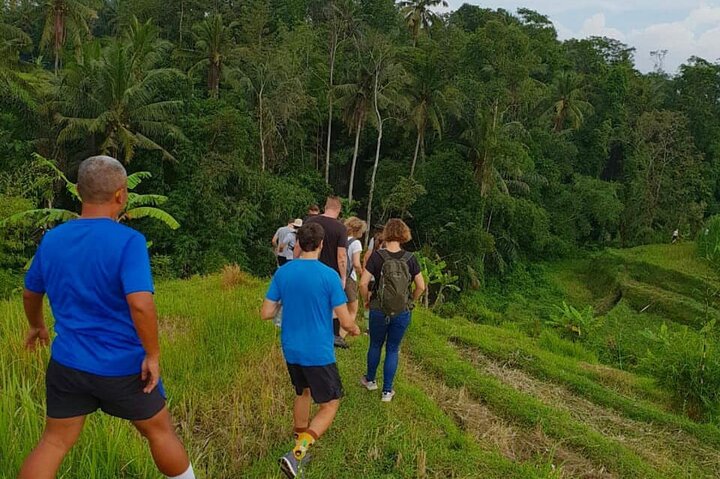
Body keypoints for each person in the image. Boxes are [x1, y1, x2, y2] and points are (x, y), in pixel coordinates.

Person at [18, 156, 194, 479]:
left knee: (54, 442)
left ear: (78, 192)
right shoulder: (129, 242)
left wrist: (37, 325)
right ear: (120, 195)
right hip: (124, 367)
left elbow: (30, 293)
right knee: (160, 433)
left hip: (69, 365)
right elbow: (140, 304)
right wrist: (153, 355)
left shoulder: (53, 239)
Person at [261, 223, 361, 479]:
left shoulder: (283, 273)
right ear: (321, 244)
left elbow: (266, 313)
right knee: (331, 403)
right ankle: (299, 452)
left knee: (302, 392)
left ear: (298, 243)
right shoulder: (328, 276)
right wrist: (355, 329)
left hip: (291, 348)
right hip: (317, 351)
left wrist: (287, 298)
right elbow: (345, 321)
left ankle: (298, 443)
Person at [359, 219, 425, 402]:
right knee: (393, 349)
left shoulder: (377, 256)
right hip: (402, 311)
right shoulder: (411, 258)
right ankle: (387, 392)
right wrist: (410, 300)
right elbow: (421, 286)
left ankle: (370, 381)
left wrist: (367, 299)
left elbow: (363, 283)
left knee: (375, 345)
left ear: (386, 234)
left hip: (378, 309)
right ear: (404, 234)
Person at [300, 196, 349, 348]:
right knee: (332, 305)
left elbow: (298, 246)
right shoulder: (340, 228)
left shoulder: (309, 222)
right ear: (338, 210)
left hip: (308, 268)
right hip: (331, 272)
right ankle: (333, 335)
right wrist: (343, 276)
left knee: (309, 301)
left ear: (325, 207)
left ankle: (307, 331)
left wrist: (295, 264)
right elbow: (341, 256)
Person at [344, 217, 367, 323]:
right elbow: (356, 263)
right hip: (349, 278)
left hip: (337, 276)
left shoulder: (341, 239)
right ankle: (342, 335)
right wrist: (362, 273)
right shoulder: (356, 243)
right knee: (352, 309)